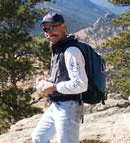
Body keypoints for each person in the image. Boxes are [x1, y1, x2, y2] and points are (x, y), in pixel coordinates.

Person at [32, 12, 88, 143]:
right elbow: (63, 77)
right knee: (39, 138)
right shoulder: (58, 48)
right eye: (46, 29)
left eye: (53, 27)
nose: (49, 32)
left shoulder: (71, 51)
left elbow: (81, 84)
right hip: (56, 104)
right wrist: (48, 81)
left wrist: (54, 87)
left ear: (63, 26)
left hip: (69, 106)